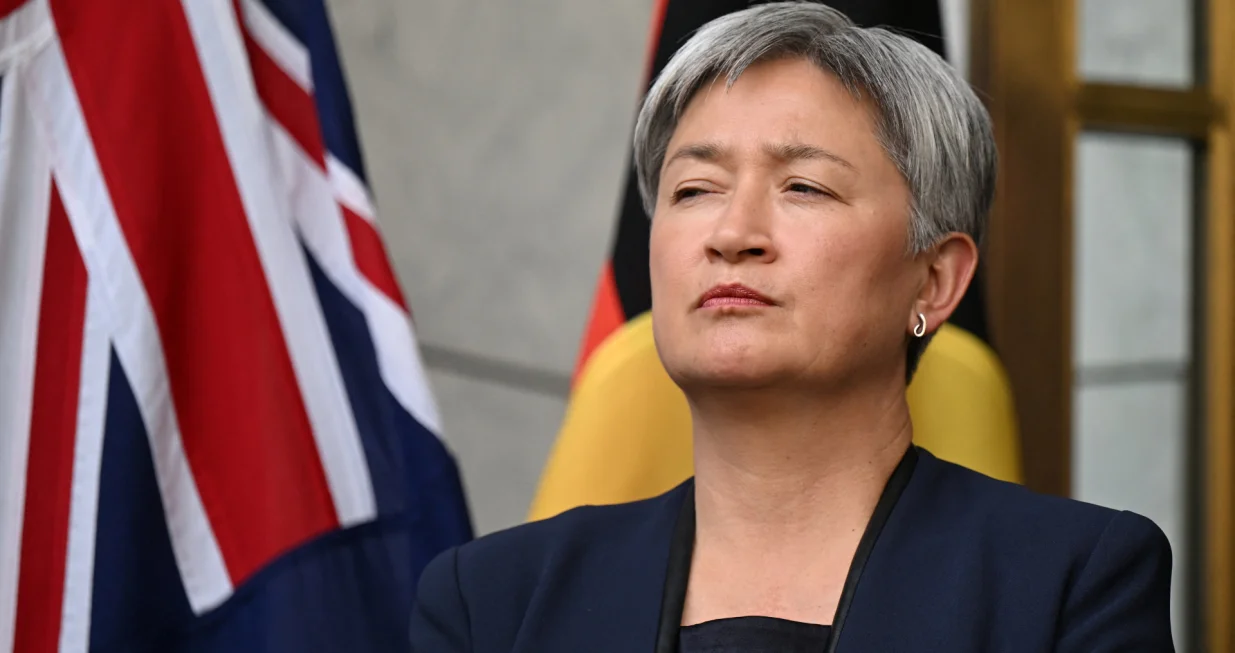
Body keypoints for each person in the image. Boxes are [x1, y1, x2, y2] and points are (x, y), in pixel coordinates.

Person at [409, 2, 1175, 651]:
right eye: (693, 189)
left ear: (935, 279)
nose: (732, 232)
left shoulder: (1071, 582)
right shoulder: (491, 601)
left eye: (802, 186)